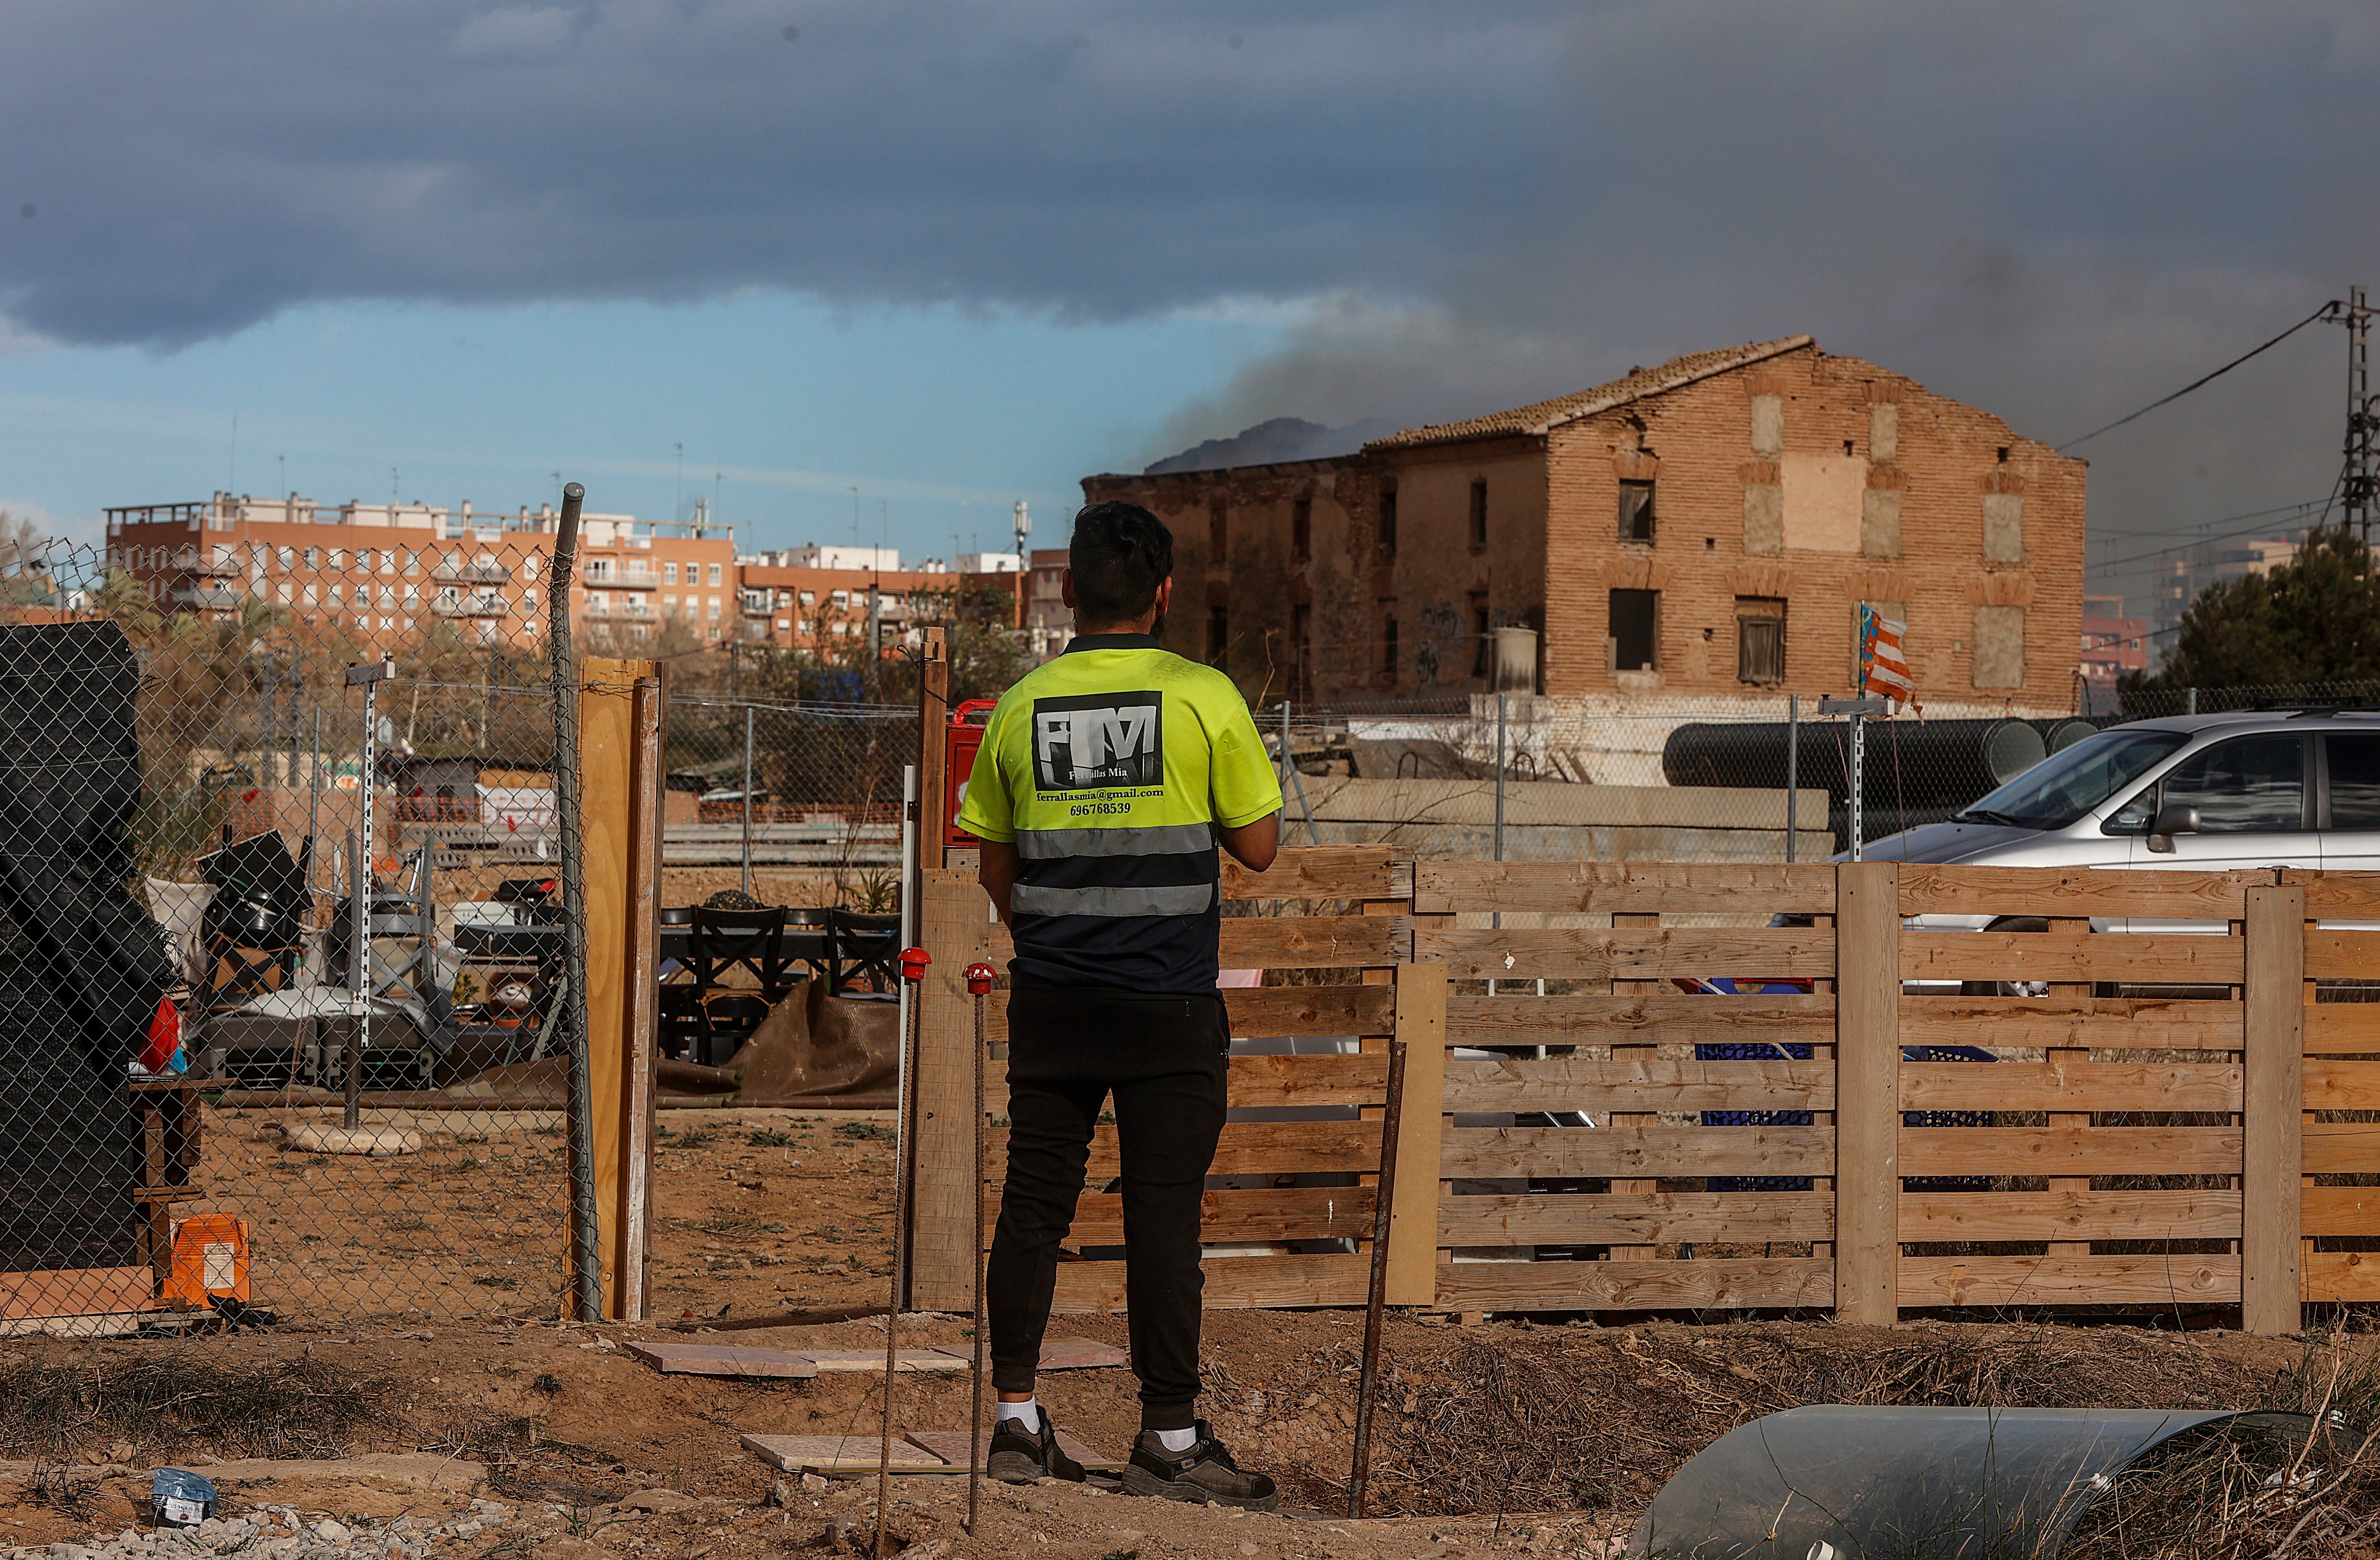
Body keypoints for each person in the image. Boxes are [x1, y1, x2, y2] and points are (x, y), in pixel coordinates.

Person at [954, 499, 1285, 1510]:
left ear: (1067, 593)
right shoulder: (1201, 695)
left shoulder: (1021, 705)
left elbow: (993, 868)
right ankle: (1169, 1441)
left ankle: (1015, 1423)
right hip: (1168, 1006)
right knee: (1162, 1217)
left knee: (1033, 1202)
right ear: (1165, 593)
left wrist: (1059, 933)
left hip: (1055, 1002)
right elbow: (1261, 846)